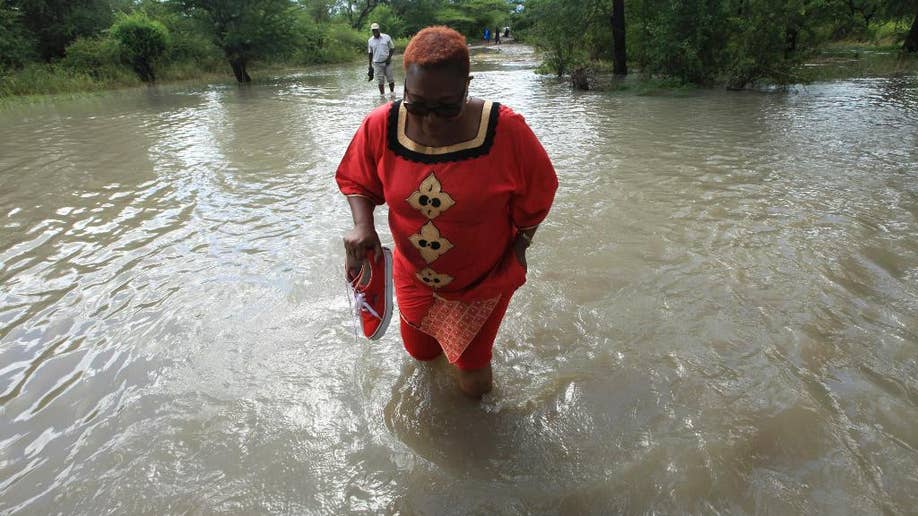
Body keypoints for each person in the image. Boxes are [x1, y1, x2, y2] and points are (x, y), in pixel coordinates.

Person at [337, 26, 558, 398]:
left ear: (467, 85)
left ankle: (480, 438)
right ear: (405, 84)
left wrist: (520, 248)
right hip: (413, 275)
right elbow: (357, 179)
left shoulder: (507, 131)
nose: (432, 120)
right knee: (421, 355)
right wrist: (363, 225)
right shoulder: (381, 125)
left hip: (482, 282)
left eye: (446, 107)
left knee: (472, 376)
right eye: (418, 105)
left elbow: (539, 195)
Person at [368, 22, 395, 96]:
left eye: (376, 30)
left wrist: (389, 58)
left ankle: (392, 93)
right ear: (372, 31)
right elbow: (370, 53)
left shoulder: (386, 37)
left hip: (387, 63)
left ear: (379, 29)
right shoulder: (370, 40)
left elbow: (392, 48)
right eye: (373, 30)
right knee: (380, 81)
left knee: (390, 79)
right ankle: (382, 95)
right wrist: (370, 65)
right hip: (377, 64)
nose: (375, 31)